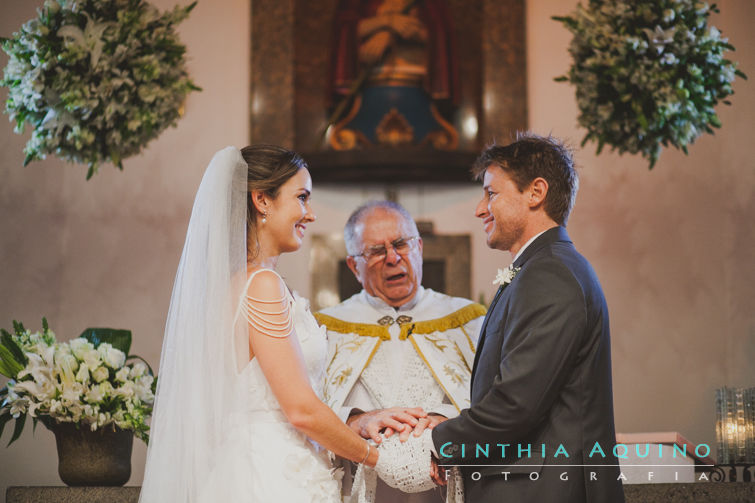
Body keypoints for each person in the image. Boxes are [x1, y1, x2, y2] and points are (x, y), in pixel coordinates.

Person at [139, 146, 409, 502]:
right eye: (301, 197)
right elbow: (300, 410)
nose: (309, 215)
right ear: (262, 200)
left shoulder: (235, 285)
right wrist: (379, 459)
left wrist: (355, 422)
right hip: (271, 477)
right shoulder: (261, 286)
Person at [430, 134, 625, 502]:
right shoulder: (544, 268)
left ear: (535, 193)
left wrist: (439, 439)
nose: (479, 209)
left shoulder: (550, 274)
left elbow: (516, 404)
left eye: (491, 194)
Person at [315, 200, 485, 503]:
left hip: (443, 479)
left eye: (400, 244)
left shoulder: (469, 320)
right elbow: (305, 409)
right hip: (358, 481)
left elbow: (493, 402)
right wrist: (355, 420)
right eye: (376, 251)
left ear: (418, 246)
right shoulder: (326, 329)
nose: (392, 257)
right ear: (354, 265)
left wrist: (441, 421)